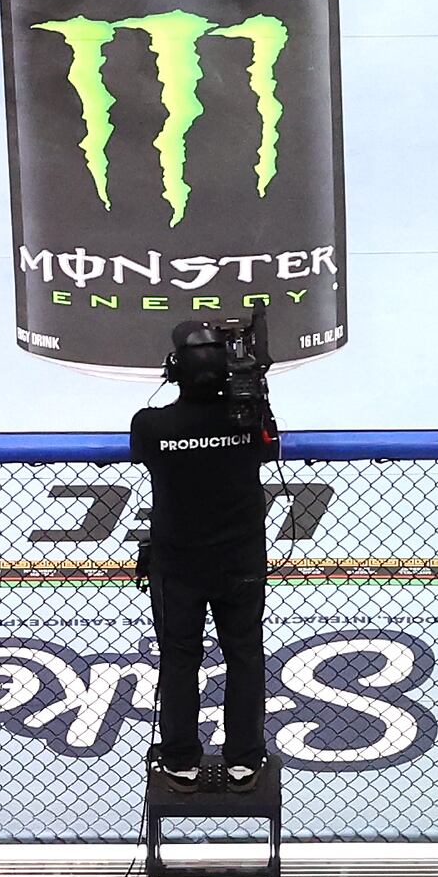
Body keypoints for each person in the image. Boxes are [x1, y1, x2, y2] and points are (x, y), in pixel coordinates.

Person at [133, 316, 280, 788]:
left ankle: (180, 759)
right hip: (240, 564)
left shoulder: (150, 425)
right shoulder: (249, 421)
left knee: (179, 659)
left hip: (177, 565)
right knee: (244, 656)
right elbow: (268, 450)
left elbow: (146, 454)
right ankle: (244, 759)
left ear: (174, 369)